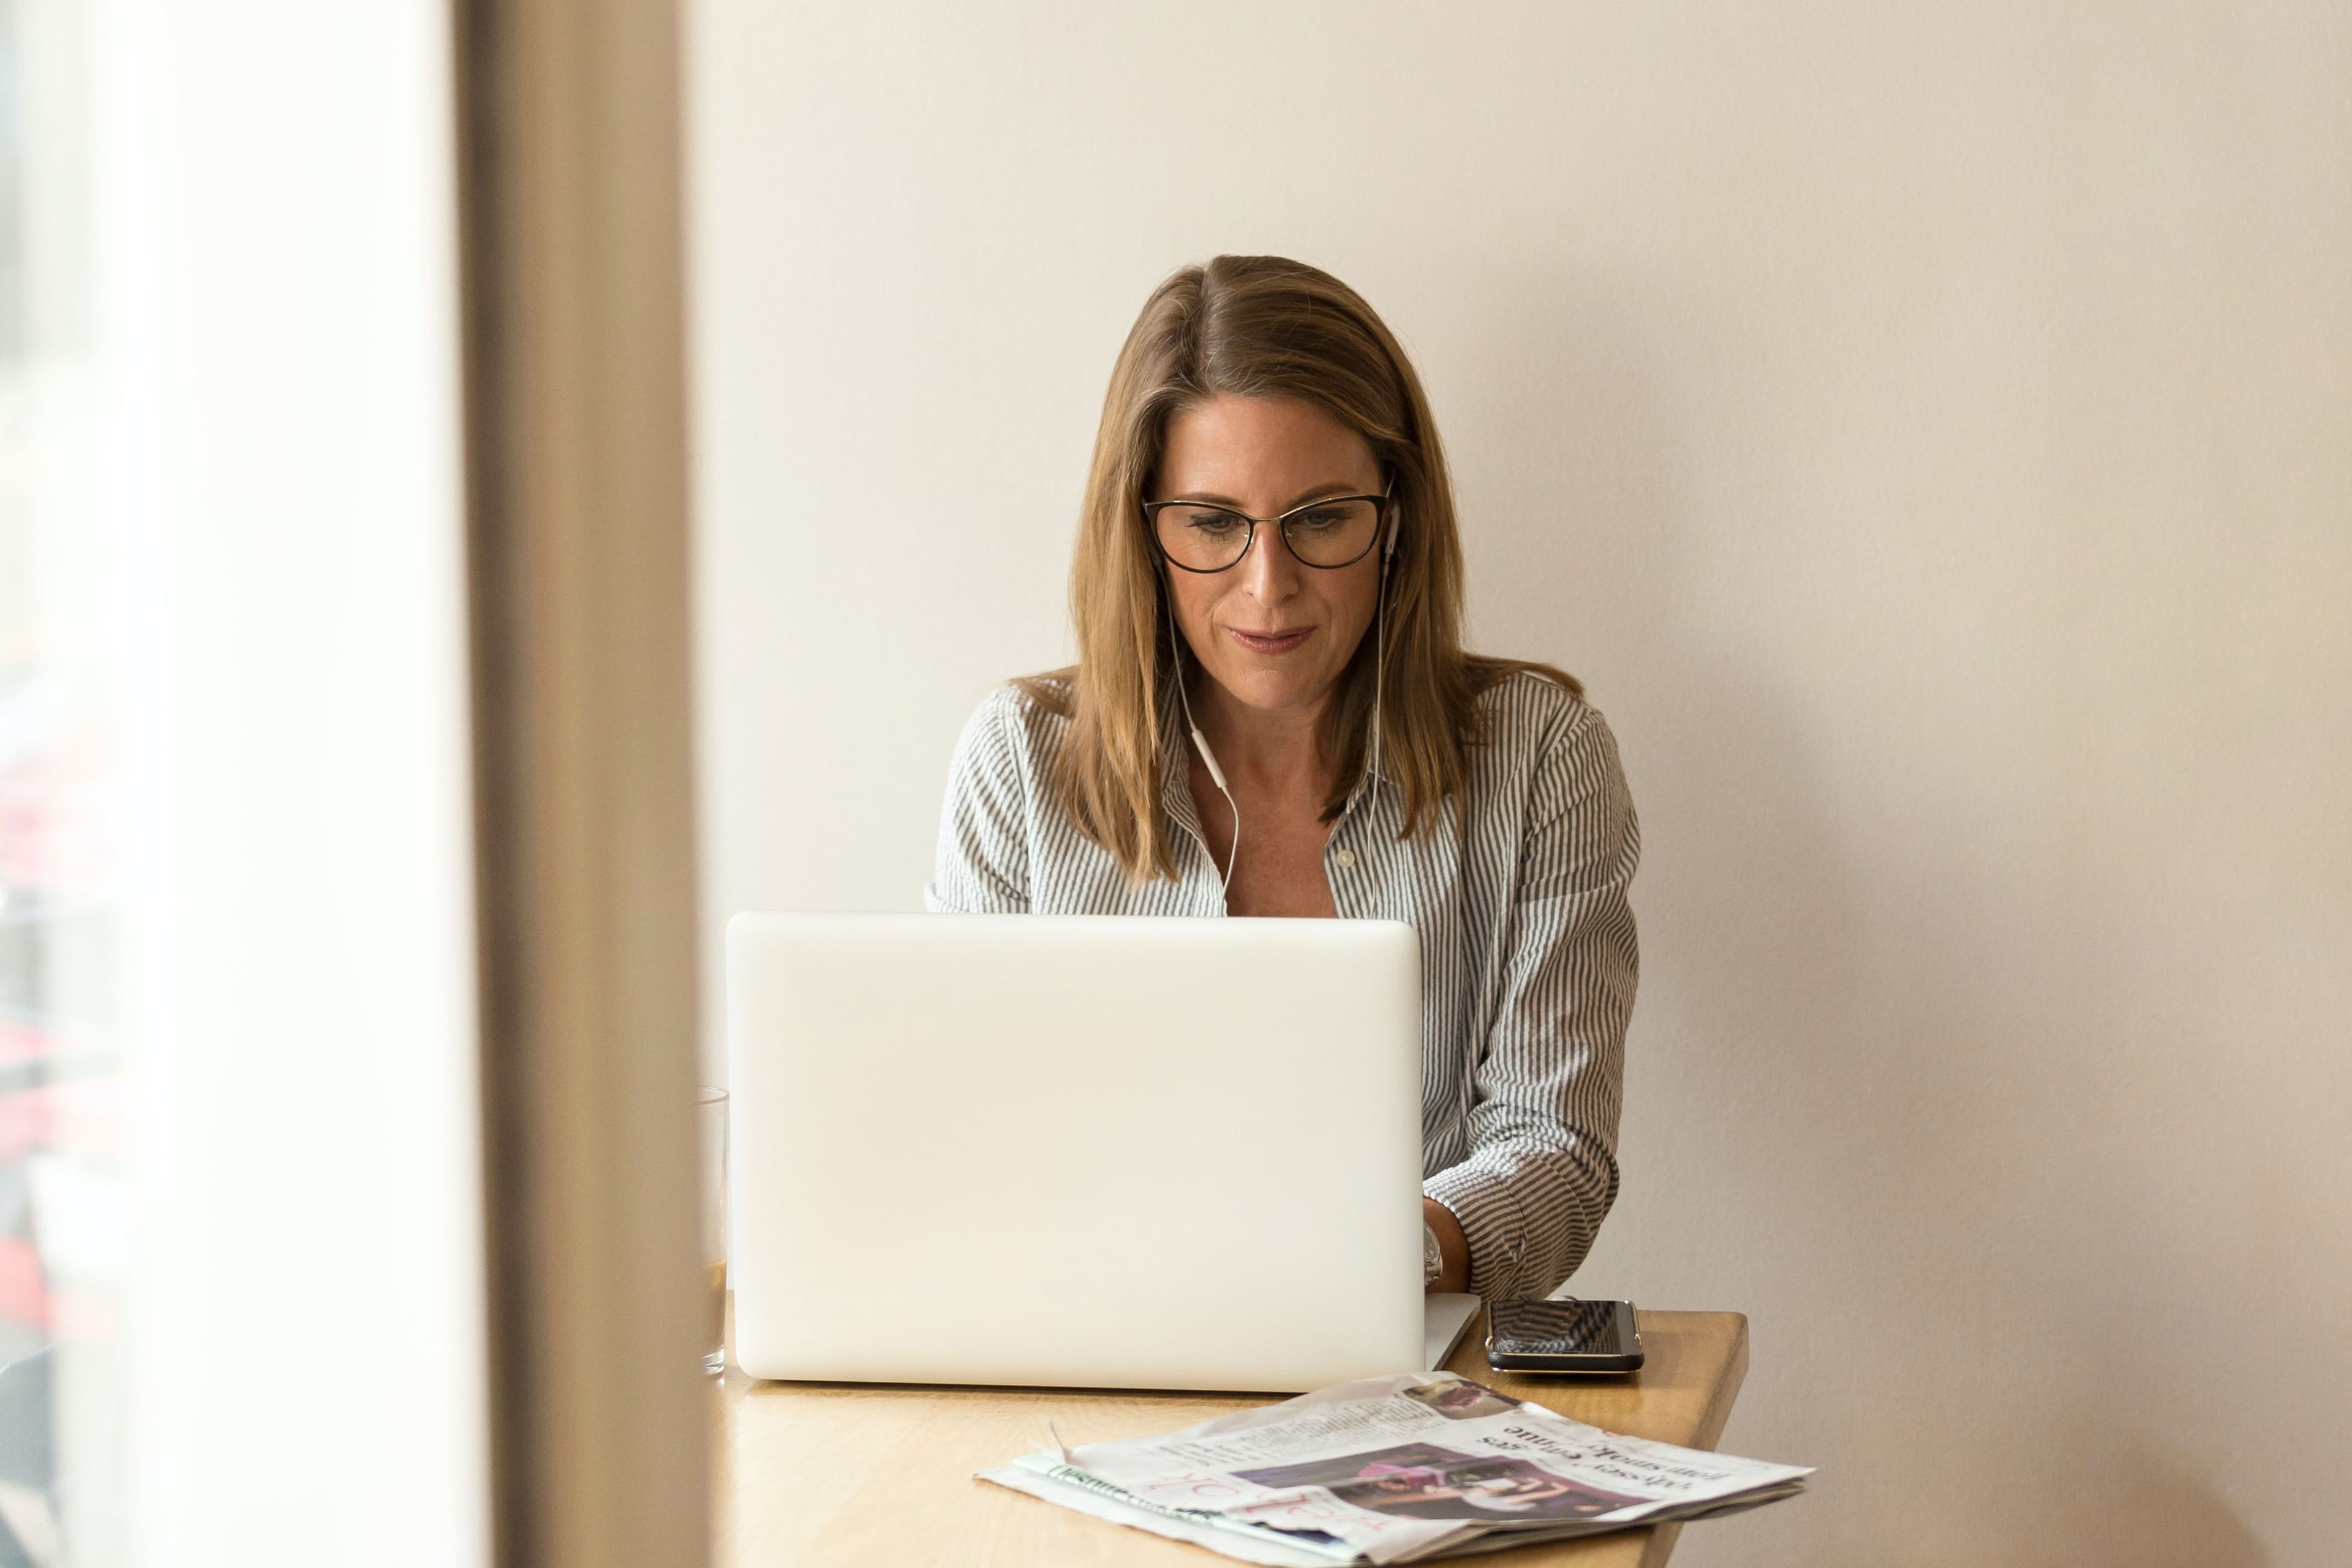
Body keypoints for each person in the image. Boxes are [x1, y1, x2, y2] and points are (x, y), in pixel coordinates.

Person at [925, 255, 1638, 1302]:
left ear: (1394, 516)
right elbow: (963, 1142)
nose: (1269, 587)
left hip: (1412, 1374)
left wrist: (1366, 1263)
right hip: (1088, 1356)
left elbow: (1557, 1152)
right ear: (1144, 530)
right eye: (1213, 525)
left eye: (1320, 520)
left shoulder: (1540, 757)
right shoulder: (1020, 763)